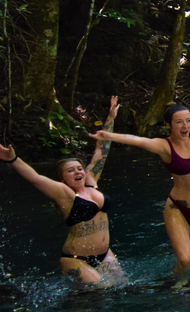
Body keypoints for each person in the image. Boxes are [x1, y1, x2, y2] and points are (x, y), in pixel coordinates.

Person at [91, 47, 190, 277]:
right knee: (185, 260)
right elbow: (138, 141)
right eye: (179, 122)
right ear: (169, 125)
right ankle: (176, 287)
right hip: (178, 209)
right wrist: (109, 134)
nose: (185, 126)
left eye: (188, 121)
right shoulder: (165, 146)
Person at [1, 97, 125, 284]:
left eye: (79, 168)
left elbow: (102, 149)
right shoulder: (64, 194)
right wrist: (12, 159)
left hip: (104, 253)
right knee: (97, 290)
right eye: (71, 170)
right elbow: (36, 178)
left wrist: (110, 118)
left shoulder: (92, 182)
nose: (77, 172)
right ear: (63, 178)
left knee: (122, 286)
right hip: (75, 259)